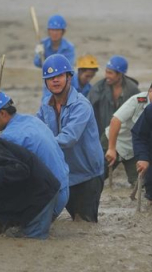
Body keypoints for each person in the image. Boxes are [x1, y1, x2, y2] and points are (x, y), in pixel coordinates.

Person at [0, 88, 69, 219]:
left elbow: (12, 175)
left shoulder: (10, 137)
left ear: (2, 113)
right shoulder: (31, 120)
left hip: (52, 197)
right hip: (64, 189)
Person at [37, 54, 104, 222]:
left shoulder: (81, 105)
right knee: (54, 220)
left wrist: (40, 146)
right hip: (63, 173)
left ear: (69, 77)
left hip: (86, 175)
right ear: (46, 82)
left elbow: (68, 138)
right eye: (50, 78)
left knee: (84, 224)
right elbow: (35, 129)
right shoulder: (45, 104)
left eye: (59, 76)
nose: (55, 81)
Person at [104, 77, 152, 186]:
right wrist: (111, 148)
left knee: (141, 184)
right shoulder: (138, 100)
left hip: (134, 149)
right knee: (97, 176)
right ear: (150, 91)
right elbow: (115, 120)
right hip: (115, 141)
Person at [33, 14, 75, 98]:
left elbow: (67, 68)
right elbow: (37, 63)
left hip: (64, 83)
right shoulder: (43, 44)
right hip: (48, 83)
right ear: (48, 31)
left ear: (63, 32)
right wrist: (39, 55)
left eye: (57, 30)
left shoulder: (69, 47)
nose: (54, 33)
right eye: (52, 30)